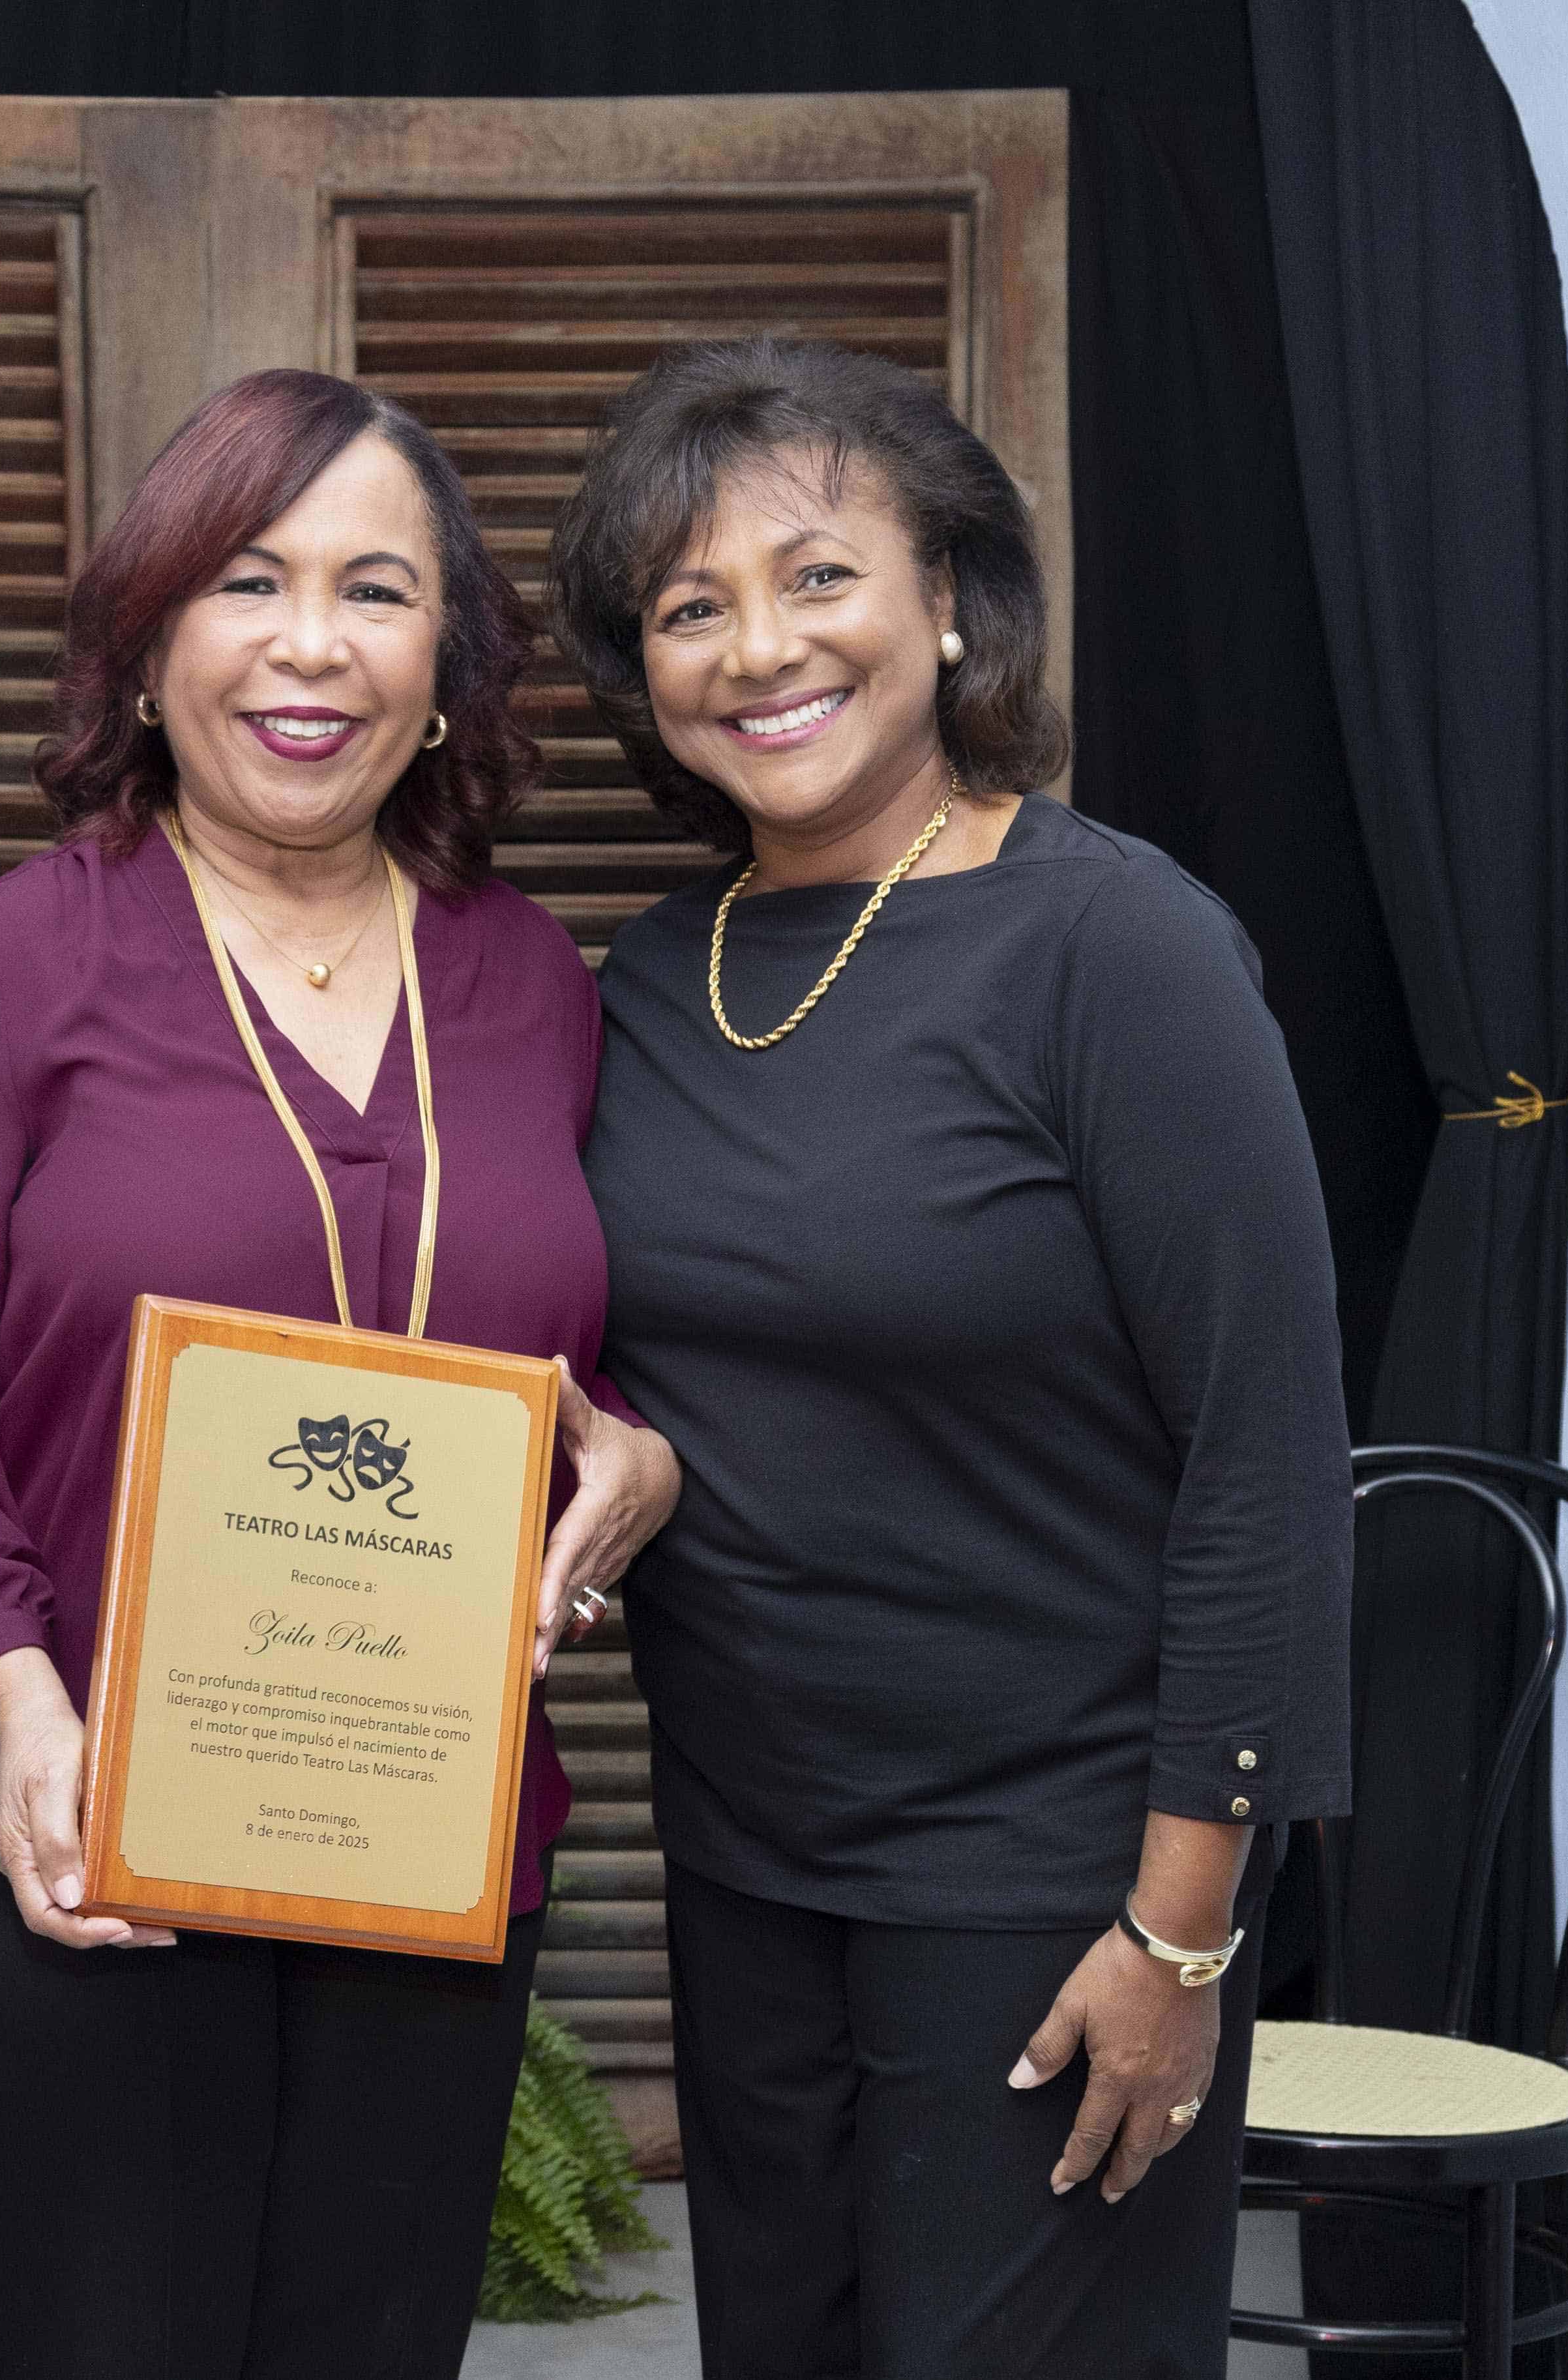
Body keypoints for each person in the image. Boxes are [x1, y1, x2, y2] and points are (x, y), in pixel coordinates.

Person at [0, 366, 683, 2380]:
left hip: (427, 1828)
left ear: (449, 668)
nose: (312, 644)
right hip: (80, 1827)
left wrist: (641, 1465)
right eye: (245, 579)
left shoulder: (536, 987)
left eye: (376, 591)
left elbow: (578, 1352)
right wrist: (16, 1695)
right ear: (144, 649)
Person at [550, 336, 1355, 2378]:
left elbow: (1265, 1453)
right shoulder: (652, 976)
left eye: (819, 577)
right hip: (747, 1862)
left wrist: (1183, 1931)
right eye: (689, 607)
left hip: (1052, 1883)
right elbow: (633, 1336)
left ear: (954, 607)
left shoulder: (1116, 949)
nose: (758, 649)